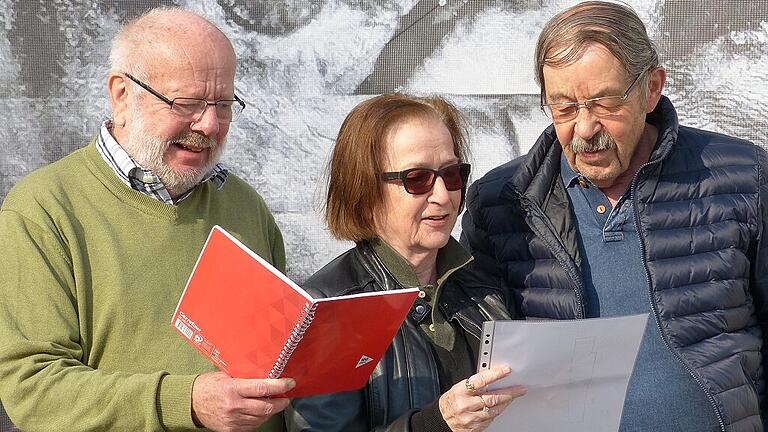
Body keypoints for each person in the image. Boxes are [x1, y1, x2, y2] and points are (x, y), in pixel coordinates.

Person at [461, 1, 768, 431]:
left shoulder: (743, 176)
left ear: (652, 88)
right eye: (564, 107)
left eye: (603, 103)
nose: (584, 128)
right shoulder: (501, 202)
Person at [0, 8, 293, 432]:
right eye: (187, 102)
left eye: (224, 105)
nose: (209, 124)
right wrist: (186, 402)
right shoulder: (43, 209)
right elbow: (33, 390)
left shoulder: (246, 208)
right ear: (121, 94)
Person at [285, 94, 527, 431]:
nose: (443, 196)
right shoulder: (329, 312)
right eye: (417, 179)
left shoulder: (484, 291)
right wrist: (433, 424)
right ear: (364, 189)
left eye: (452, 174)